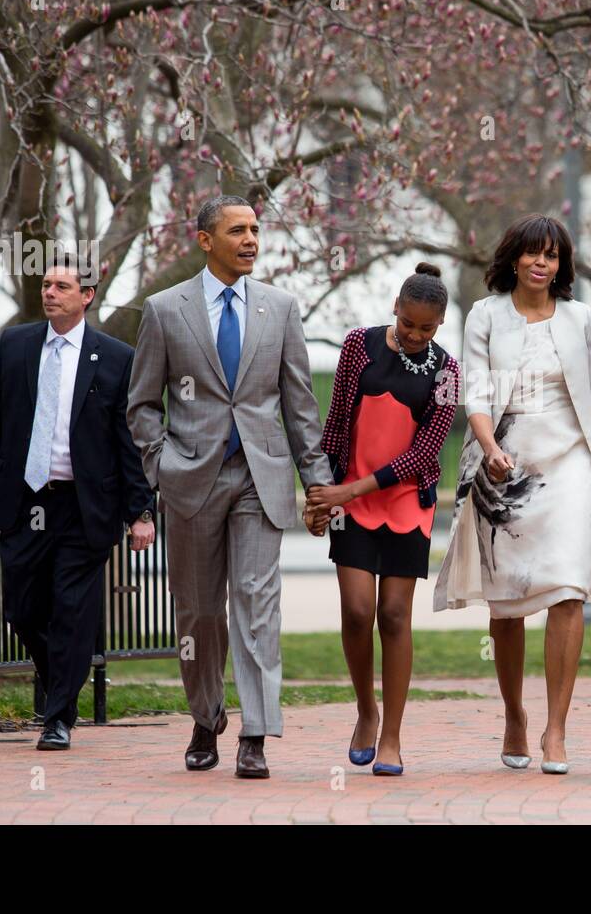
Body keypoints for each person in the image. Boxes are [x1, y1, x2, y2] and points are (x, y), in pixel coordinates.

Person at [433, 213, 591, 774]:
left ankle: (555, 729)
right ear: (514, 257)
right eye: (533, 253)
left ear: (561, 266)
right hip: (504, 471)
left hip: (569, 470)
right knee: (508, 603)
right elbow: (478, 395)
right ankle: (514, 713)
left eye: (553, 255)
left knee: (568, 590)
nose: (542, 263)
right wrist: (489, 447)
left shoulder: (580, 319)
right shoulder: (486, 315)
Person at [127, 194, 333, 779]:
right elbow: (141, 404)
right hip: (190, 480)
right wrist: (161, 463)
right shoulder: (165, 310)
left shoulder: (281, 307)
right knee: (198, 613)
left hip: (259, 479)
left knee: (255, 601)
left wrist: (316, 480)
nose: (250, 240)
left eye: (255, 230)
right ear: (205, 240)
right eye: (237, 230)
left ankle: (256, 732)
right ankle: (205, 716)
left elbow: (299, 404)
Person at [0, 256, 156, 751]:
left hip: (85, 506)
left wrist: (141, 511)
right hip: (24, 502)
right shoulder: (16, 345)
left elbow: (127, 442)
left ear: (87, 295)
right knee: (22, 611)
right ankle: (64, 680)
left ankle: (58, 717)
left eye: (61, 286)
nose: (49, 293)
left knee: (73, 610)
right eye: (45, 284)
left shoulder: (115, 357)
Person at [306, 263, 461, 777]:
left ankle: (392, 734)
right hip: (350, 496)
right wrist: (322, 497)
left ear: (439, 324)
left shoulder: (447, 372)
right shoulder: (357, 346)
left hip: (404, 502)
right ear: (396, 306)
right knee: (356, 611)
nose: (417, 336)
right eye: (410, 323)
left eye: (428, 329)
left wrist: (350, 490)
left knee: (394, 615)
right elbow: (337, 425)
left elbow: (424, 454)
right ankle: (366, 711)